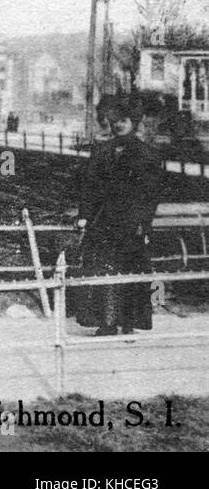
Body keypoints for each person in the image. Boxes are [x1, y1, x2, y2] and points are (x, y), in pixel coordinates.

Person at [72, 97, 164, 337]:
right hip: (104, 222)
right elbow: (89, 187)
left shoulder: (148, 155)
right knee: (103, 271)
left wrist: (144, 224)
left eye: (122, 121)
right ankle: (107, 321)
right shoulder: (102, 152)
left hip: (132, 223)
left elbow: (151, 195)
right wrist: (84, 216)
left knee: (131, 272)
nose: (117, 125)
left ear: (133, 122)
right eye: (113, 121)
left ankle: (129, 321)